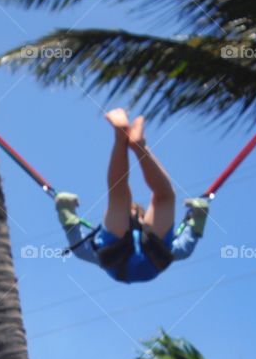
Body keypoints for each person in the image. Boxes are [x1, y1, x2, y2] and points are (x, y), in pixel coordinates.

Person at [55, 109, 209, 283]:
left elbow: (81, 249)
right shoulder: (160, 238)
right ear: (144, 217)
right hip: (151, 260)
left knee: (121, 194)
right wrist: (198, 218)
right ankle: (137, 145)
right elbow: (185, 247)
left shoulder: (105, 238)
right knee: (152, 196)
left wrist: (66, 212)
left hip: (119, 258)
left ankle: (126, 139)